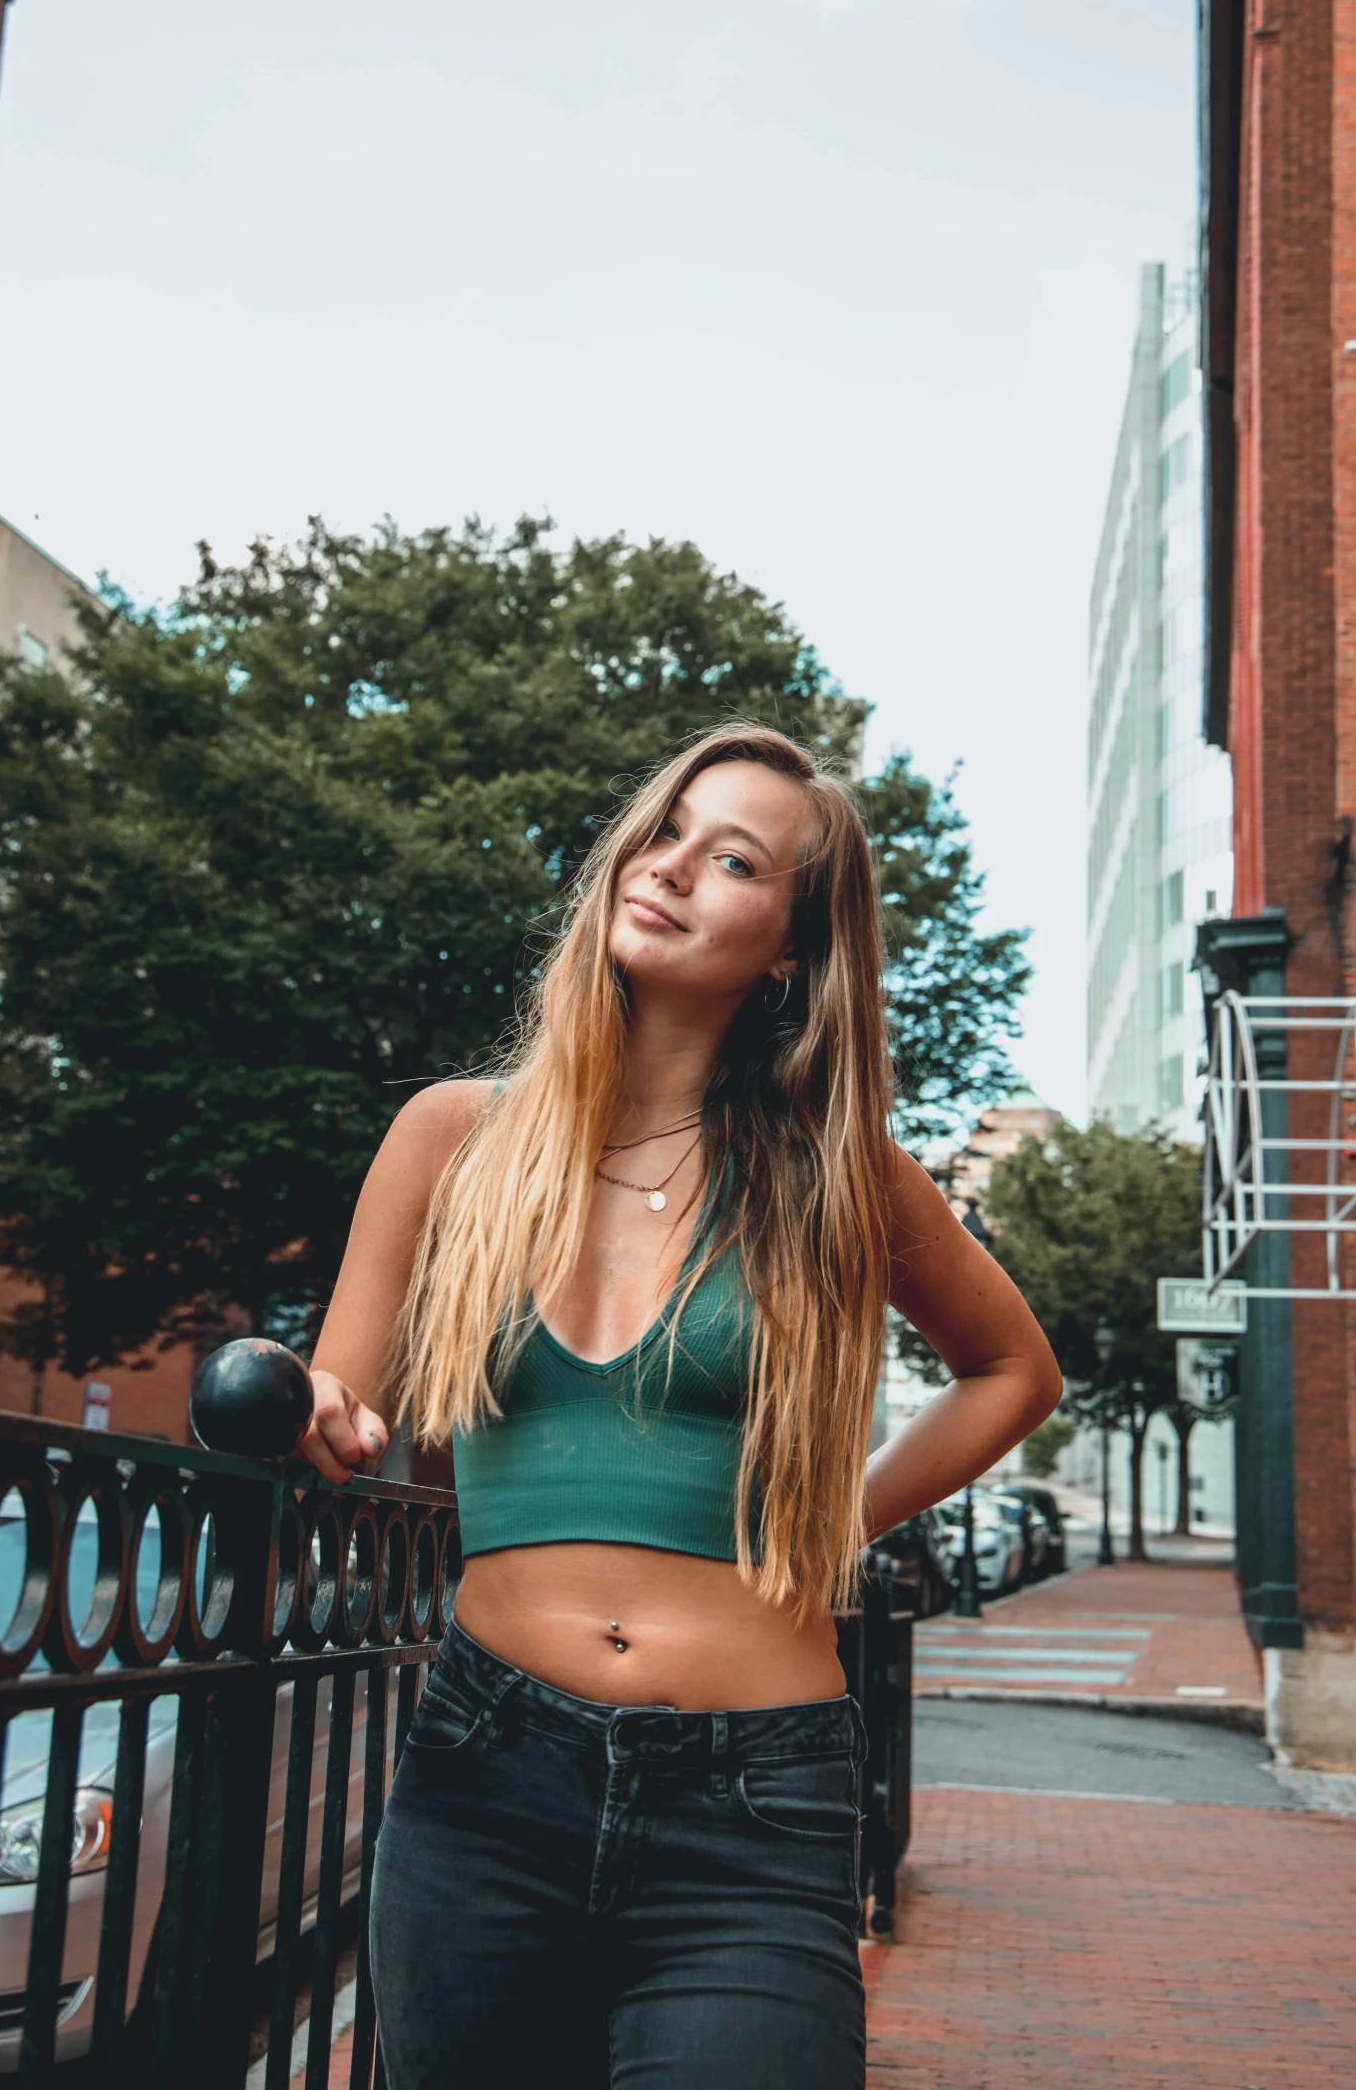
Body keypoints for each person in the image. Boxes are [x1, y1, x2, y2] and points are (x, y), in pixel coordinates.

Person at [301, 721, 1060, 2090]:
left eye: (731, 859)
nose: (668, 867)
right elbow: (338, 1403)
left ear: (788, 948)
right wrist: (317, 1421)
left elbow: (1013, 1370)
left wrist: (835, 1516)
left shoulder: (838, 1174)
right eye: (662, 831)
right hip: (486, 1772)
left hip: (751, 1800)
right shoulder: (449, 1136)